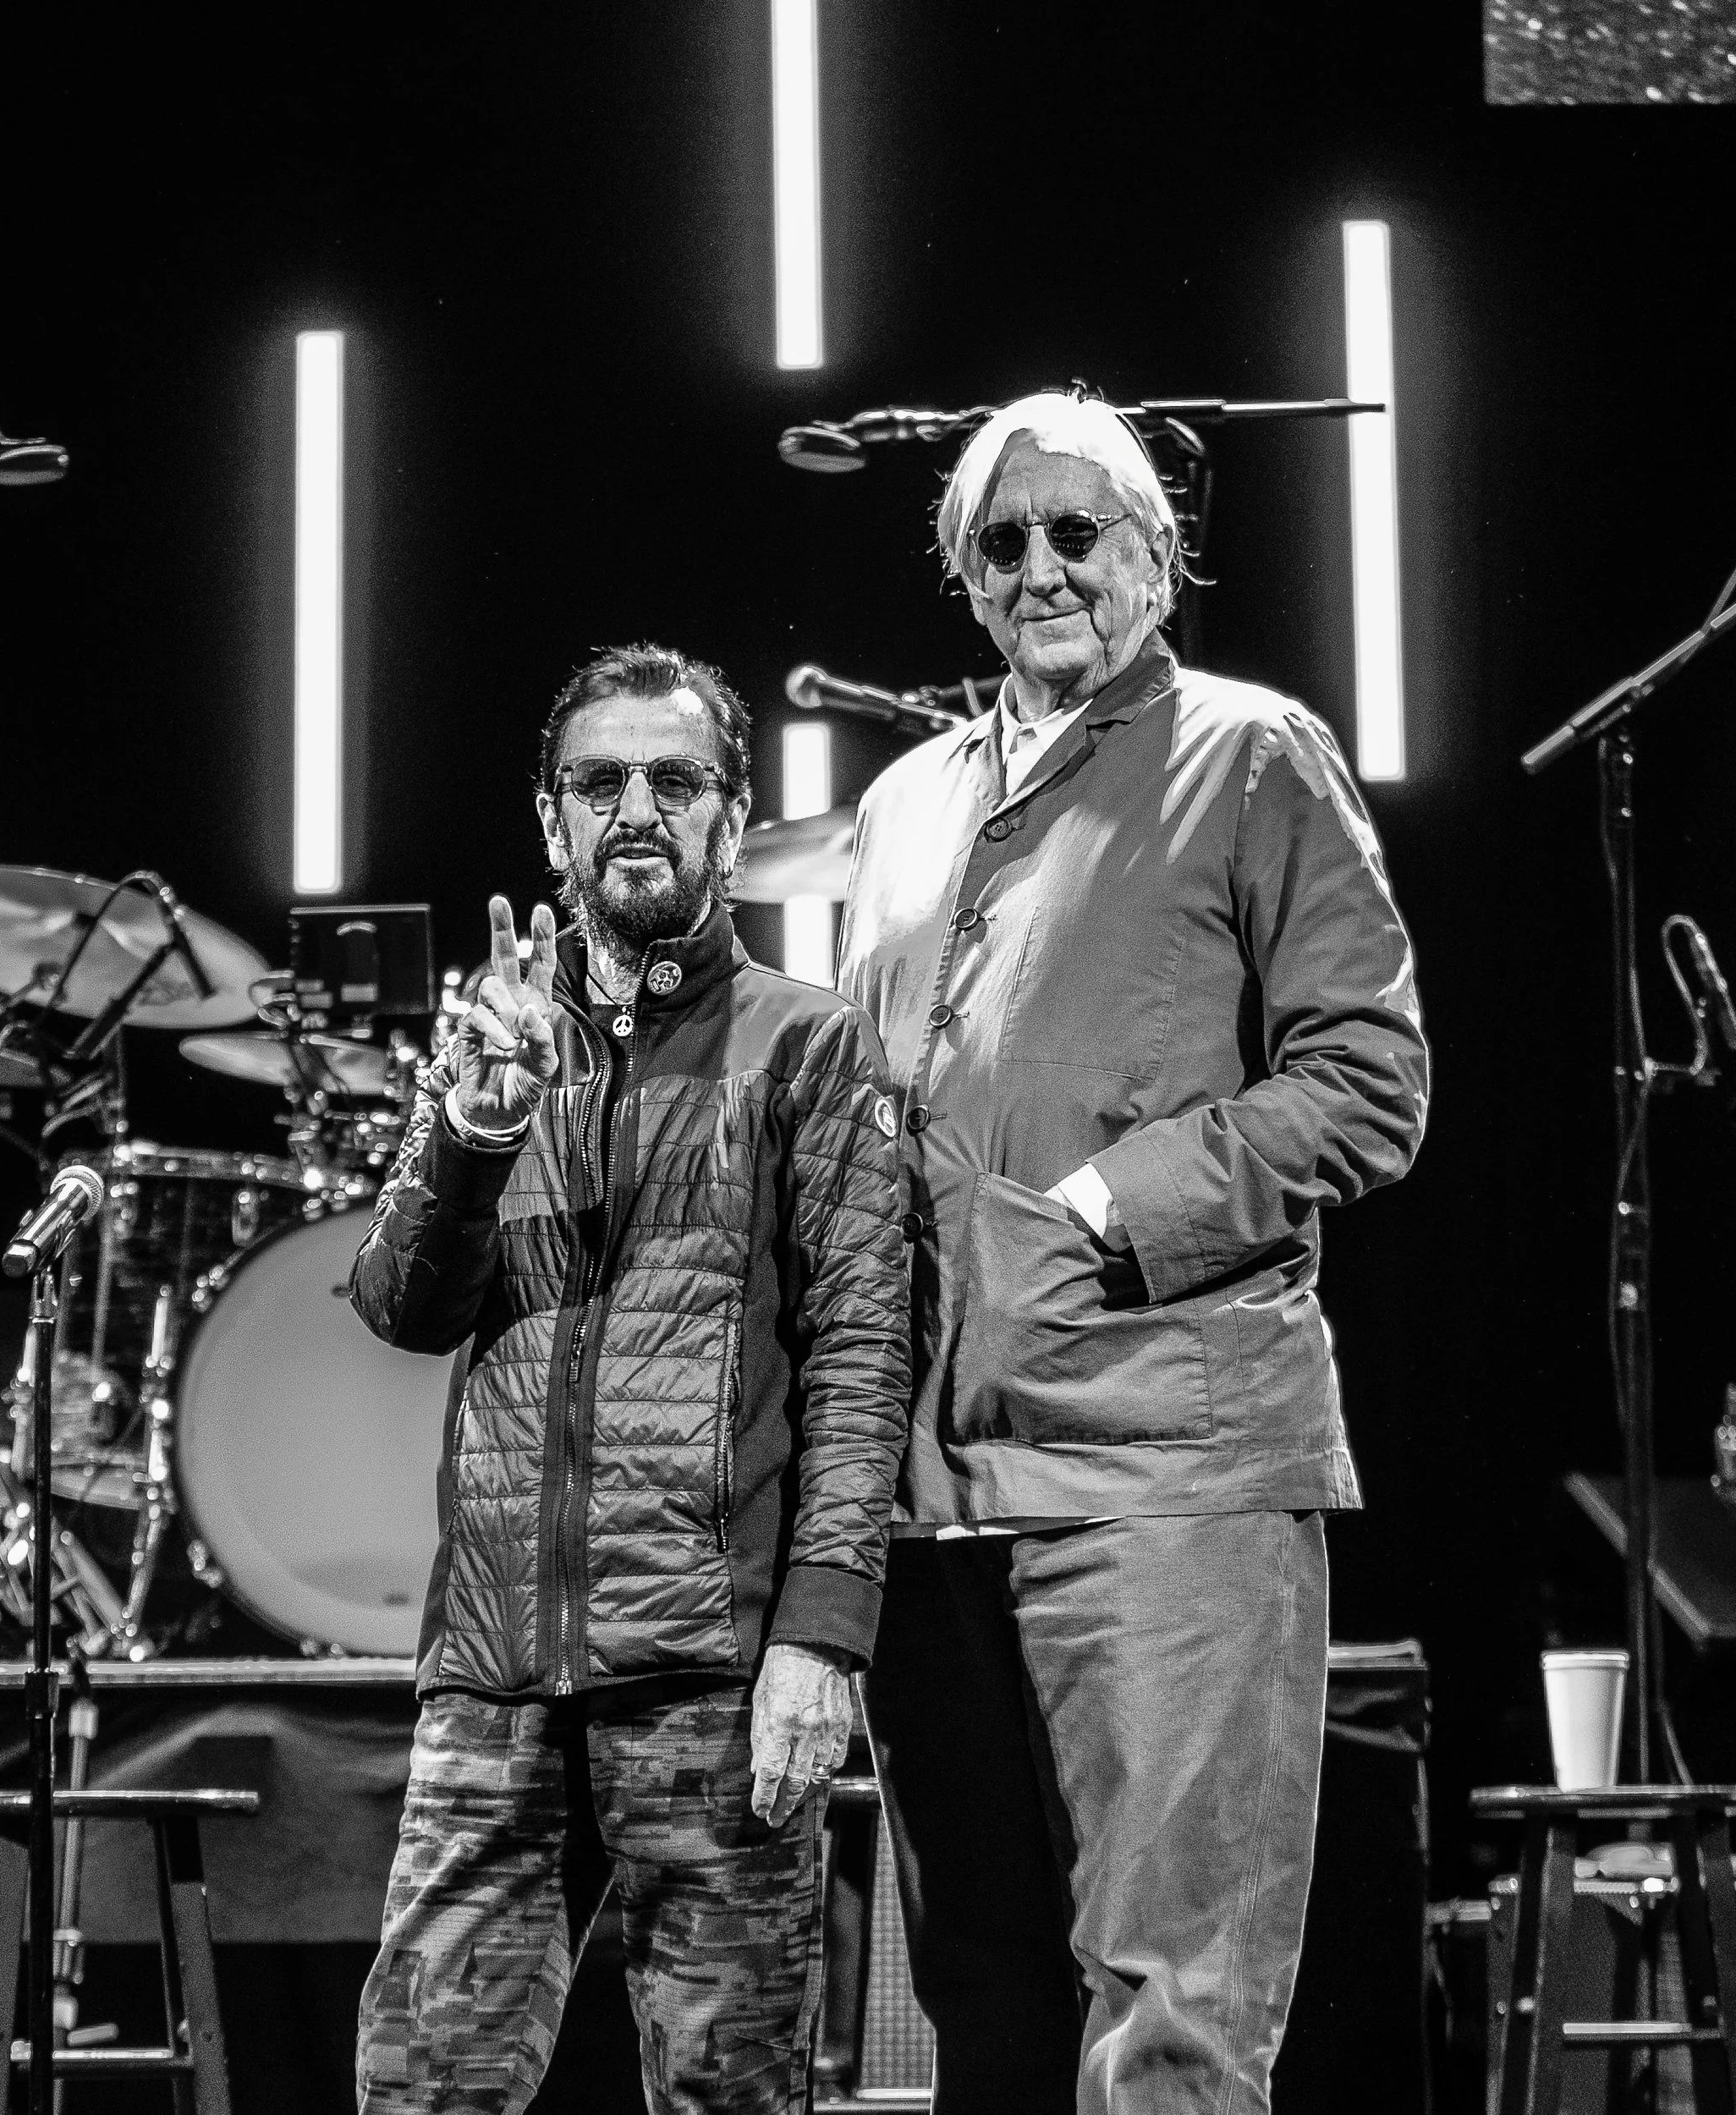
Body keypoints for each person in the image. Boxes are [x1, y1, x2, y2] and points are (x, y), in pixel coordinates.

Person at [835, 392, 1430, 2115]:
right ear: (962, 574)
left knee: (1171, 2013)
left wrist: (1109, 1210)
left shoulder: (1250, 753)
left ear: (1157, 554)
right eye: (1002, 539)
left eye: (1077, 530)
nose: (1041, 566)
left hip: (1165, 1465)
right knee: (985, 2007)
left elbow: (1369, 1081)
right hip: (934, 1496)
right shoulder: (902, 801)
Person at [353, 641, 912, 2114]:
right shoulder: (493, 1040)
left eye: (677, 780)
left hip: (711, 1680)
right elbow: (402, 1309)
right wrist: (473, 1134)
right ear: (553, 822)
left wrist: (824, 1637)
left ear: (734, 820)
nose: (638, 811)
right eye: (600, 783)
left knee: (730, 2100)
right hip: (493, 1678)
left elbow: (863, 1356)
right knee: (419, 2091)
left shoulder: (807, 1043)